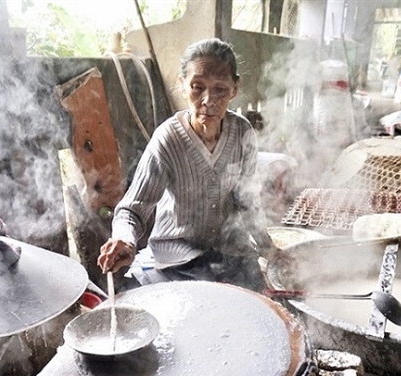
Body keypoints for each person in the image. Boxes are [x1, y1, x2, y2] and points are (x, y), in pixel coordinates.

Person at [97, 38, 293, 292]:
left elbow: (247, 202)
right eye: (197, 87)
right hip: (178, 255)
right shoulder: (168, 139)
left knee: (257, 307)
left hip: (230, 251)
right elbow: (132, 209)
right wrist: (124, 238)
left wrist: (269, 249)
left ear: (235, 89)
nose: (208, 100)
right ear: (182, 86)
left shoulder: (242, 133)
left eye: (220, 89)